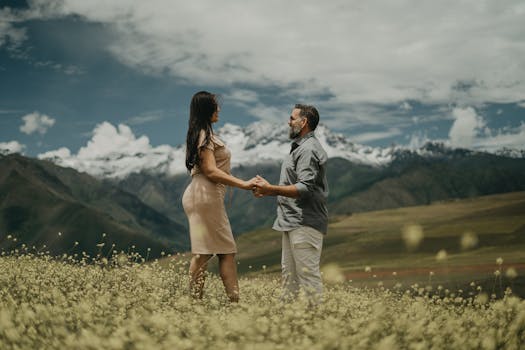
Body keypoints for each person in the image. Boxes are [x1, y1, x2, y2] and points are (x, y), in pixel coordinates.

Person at [182, 91, 256, 302]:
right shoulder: (204, 135)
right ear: (207, 110)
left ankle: (195, 304)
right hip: (205, 195)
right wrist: (244, 184)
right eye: (215, 106)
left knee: (205, 252)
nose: (219, 110)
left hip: (199, 195)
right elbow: (211, 171)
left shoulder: (200, 133)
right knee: (224, 252)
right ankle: (234, 304)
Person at [253, 104, 328, 303]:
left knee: (308, 278)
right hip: (292, 222)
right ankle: (287, 324)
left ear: (303, 122)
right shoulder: (300, 148)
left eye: (292, 118)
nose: (288, 122)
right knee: (289, 278)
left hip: (305, 222)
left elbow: (304, 187)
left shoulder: (308, 149)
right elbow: (294, 186)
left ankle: (320, 323)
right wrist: (269, 191)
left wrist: (271, 189)